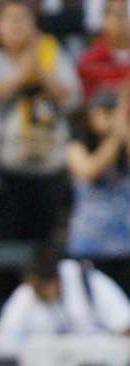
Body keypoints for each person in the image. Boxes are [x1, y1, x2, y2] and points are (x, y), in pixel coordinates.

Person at [0, 0, 81, 240]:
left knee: (43, 245)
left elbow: (74, 99)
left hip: (48, 169)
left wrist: (43, 73)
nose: (17, 25)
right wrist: (21, 75)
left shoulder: (50, 51)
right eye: (11, 19)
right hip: (0, 175)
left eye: (23, 19)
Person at [65, 86, 130, 294]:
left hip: (124, 246)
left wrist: (123, 131)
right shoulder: (77, 145)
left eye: (112, 113)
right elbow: (88, 170)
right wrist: (116, 137)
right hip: (89, 244)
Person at [0, 251, 130, 337]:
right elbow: (4, 336)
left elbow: (125, 326)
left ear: (54, 282)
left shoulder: (88, 281)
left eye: (39, 287)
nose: (35, 291)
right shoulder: (28, 292)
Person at [78, 0, 130, 101]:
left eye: (127, 14)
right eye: (120, 14)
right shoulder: (89, 60)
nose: (126, 20)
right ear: (105, 19)